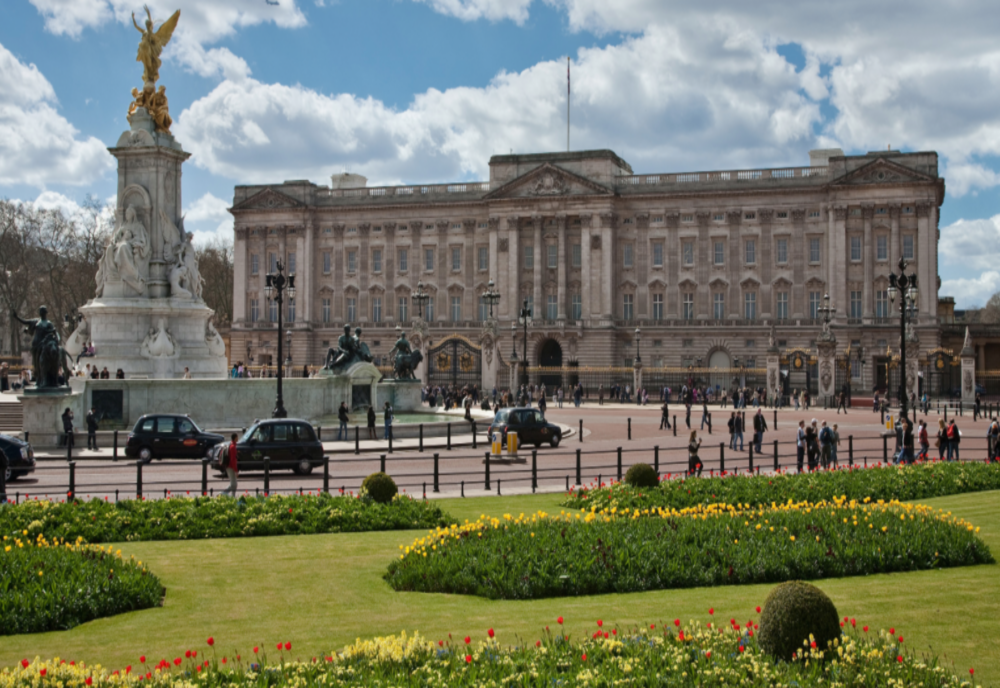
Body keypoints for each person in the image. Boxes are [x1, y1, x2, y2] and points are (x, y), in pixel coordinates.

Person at [220, 433, 239, 497]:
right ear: (235, 438)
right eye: (237, 437)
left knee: (234, 484)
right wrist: (236, 470)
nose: (238, 438)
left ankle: (233, 497)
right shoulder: (233, 447)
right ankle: (222, 494)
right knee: (234, 484)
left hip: (230, 466)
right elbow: (233, 459)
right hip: (231, 467)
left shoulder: (231, 445)